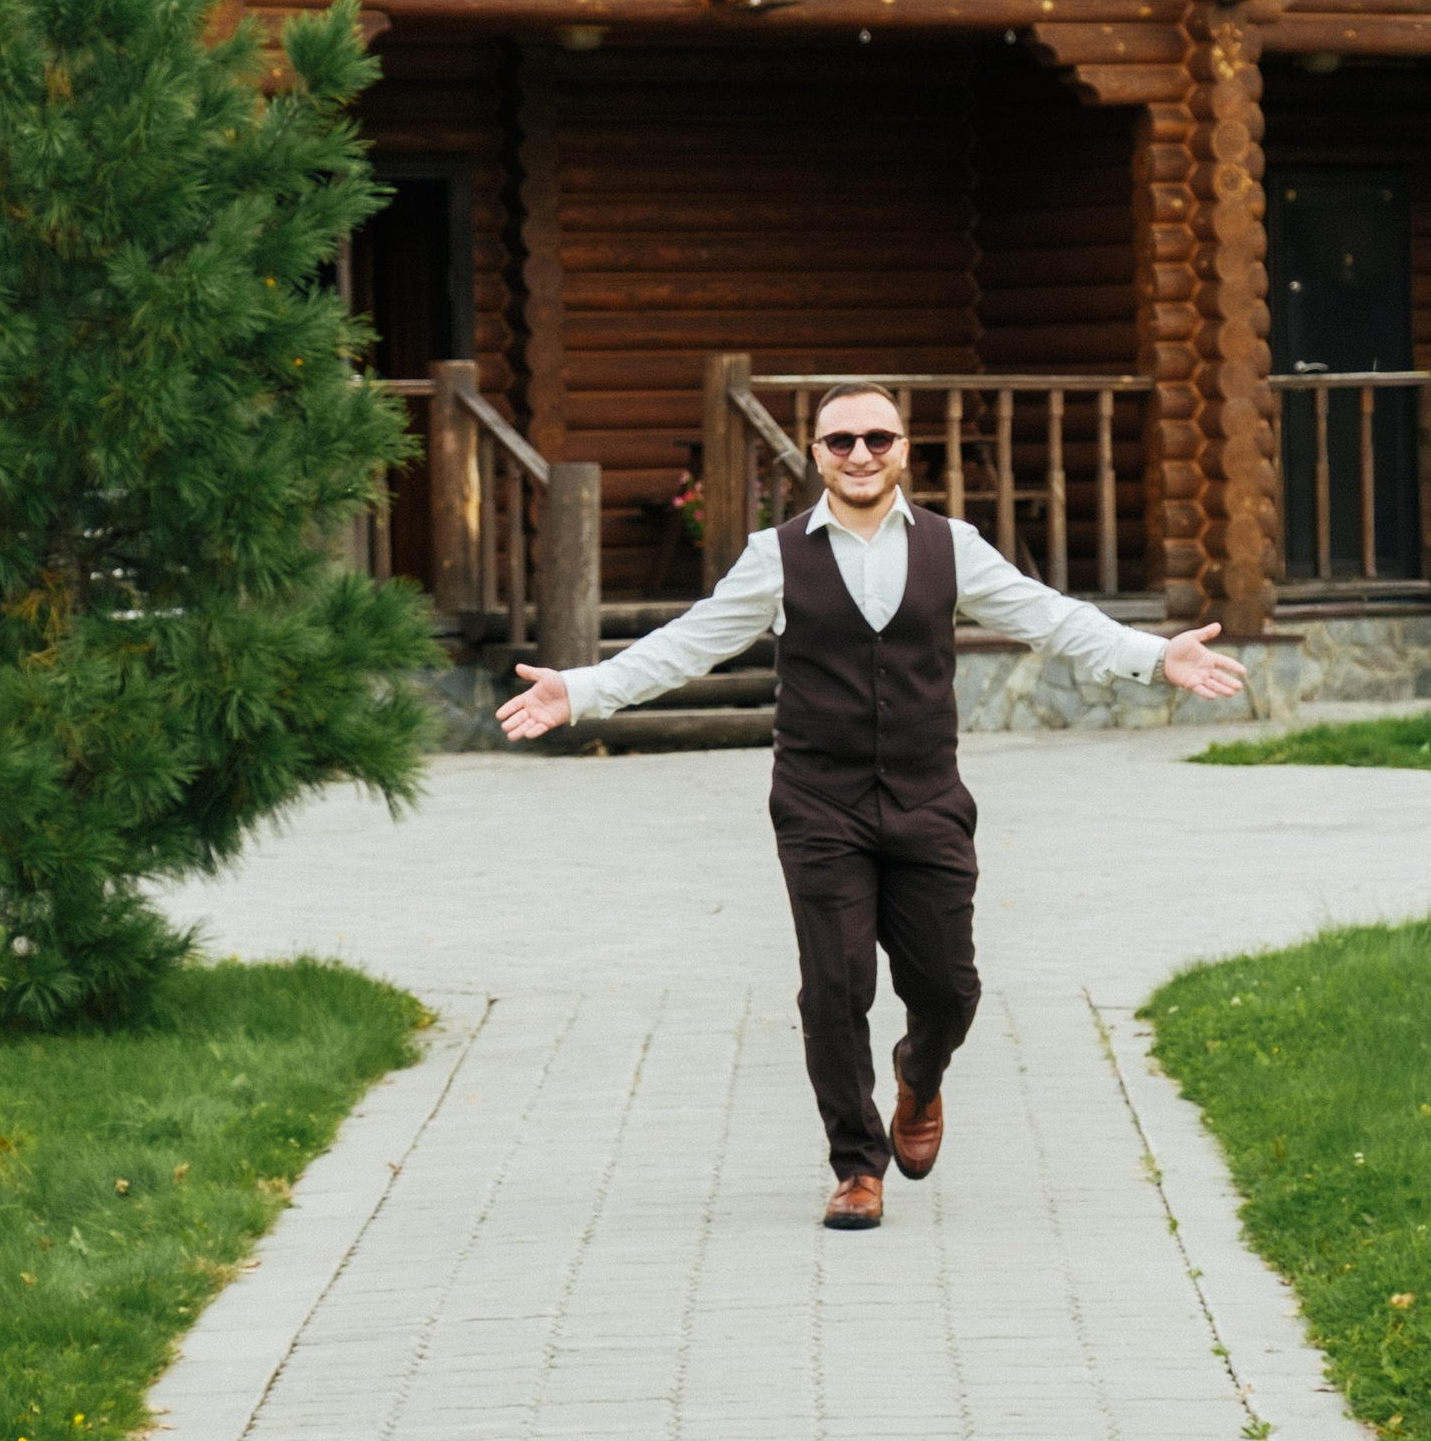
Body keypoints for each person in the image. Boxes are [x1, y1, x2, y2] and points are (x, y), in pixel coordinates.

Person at [499, 379, 1246, 1226]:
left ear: (903, 449)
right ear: (815, 454)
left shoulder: (951, 546)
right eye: (841, 440)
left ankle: (919, 1079)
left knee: (950, 987)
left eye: (878, 439)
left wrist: (1154, 656)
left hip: (929, 800)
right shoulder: (776, 554)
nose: (860, 454)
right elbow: (689, 643)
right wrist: (582, 689)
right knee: (834, 986)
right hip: (820, 804)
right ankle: (858, 1165)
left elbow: (1050, 617)